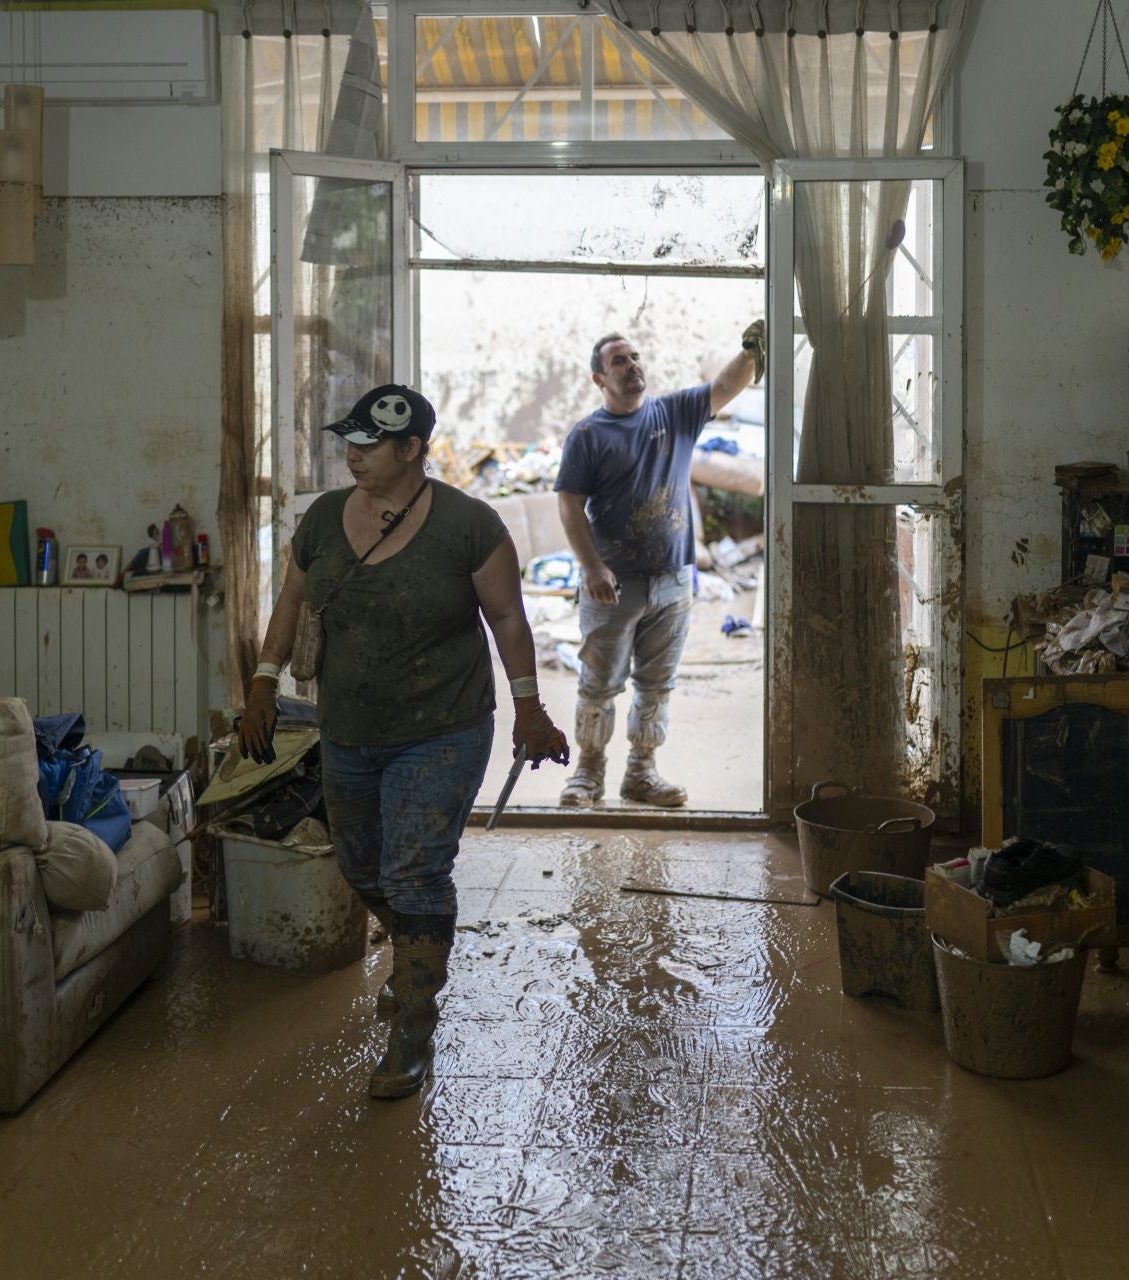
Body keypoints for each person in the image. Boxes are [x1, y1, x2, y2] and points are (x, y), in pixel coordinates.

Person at [238, 384, 569, 1100]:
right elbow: (293, 599)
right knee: (362, 868)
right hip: (351, 728)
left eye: (369, 445)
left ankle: (413, 1023)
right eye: (349, 444)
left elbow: (508, 619)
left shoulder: (469, 526)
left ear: (413, 449)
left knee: (416, 870)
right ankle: (421, 946)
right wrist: (263, 680)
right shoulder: (325, 518)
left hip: (444, 728)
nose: (353, 457)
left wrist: (530, 709)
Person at [554, 323, 763, 808]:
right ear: (599, 379)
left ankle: (642, 774)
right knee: (599, 683)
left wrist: (752, 349)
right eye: (619, 362)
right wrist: (591, 567)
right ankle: (587, 774)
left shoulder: (675, 412)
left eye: (635, 357)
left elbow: (726, 386)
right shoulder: (588, 435)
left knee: (656, 684)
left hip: (673, 582)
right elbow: (568, 505)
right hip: (612, 584)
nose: (632, 366)